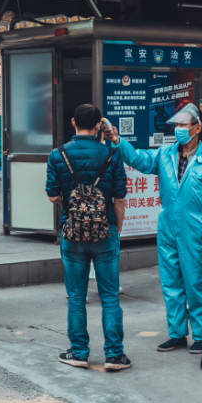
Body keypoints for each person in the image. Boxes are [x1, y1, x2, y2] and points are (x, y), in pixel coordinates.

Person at [106, 102, 202, 355]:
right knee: (171, 284)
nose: (179, 129)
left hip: (197, 231)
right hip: (168, 229)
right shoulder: (165, 155)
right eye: (177, 125)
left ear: (197, 128)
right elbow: (139, 159)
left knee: (196, 285)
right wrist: (118, 141)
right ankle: (177, 334)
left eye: (183, 125)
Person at [46, 104, 131, 371]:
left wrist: (75, 207)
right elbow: (119, 199)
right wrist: (116, 227)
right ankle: (115, 355)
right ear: (99, 126)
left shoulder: (57, 154)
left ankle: (79, 352)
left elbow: (52, 195)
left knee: (76, 296)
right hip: (105, 232)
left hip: (72, 234)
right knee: (109, 296)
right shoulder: (111, 154)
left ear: (73, 122)